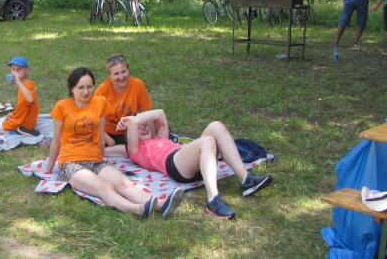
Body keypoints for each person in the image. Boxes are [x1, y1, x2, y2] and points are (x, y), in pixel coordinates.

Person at [45, 68, 184, 219]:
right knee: (104, 187)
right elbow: (56, 141)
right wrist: (48, 169)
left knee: (125, 184)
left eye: (89, 87)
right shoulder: (62, 106)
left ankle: (161, 205)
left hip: (95, 160)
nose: (86, 92)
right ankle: (138, 209)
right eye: (81, 88)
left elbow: (100, 137)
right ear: (72, 88)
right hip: (70, 163)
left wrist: (102, 160)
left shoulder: (100, 102)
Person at [117, 109, 272, 219]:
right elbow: (134, 123)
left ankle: (246, 180)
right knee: (207, 141)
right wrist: (131, 121)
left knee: (216, 126)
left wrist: (134, 118)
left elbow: (160, 113)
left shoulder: (160, 138)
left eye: (144, 125)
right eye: (138, 128)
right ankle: (213, 199)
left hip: (192, 161)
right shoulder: (135, 150)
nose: (143, 127)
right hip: (175, 165)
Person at [95, 54, 153, 147]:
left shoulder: (138, 84)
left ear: (128, 70)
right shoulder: (102, 90)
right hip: (107, 132)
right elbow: (94, 120)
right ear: (109, 75)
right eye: (116, 74)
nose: (121, 77)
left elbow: (146, 114)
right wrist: (110, 141)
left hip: (130, 130)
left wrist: (153, 140)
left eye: (124, 72)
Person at [0, 56, 40, 136]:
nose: (15, 72)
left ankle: (17, 132)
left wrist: (19, 82)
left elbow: (30, 100)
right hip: (22, 118)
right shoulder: (24, 85)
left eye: (18, 69)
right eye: (13, 69)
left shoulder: (28, 85)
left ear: (27, 70)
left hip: (24, 122)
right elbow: (23, 105)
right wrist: (13, 113)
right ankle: (18, 129)